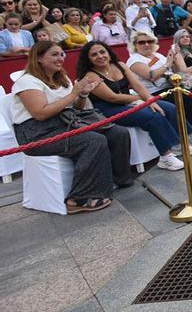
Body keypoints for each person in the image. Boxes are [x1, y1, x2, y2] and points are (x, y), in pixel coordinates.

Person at [12, 42, 133, 214]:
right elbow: (40, 113)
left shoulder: (61, 78)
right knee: (93, 140)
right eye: (54, 54)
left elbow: (76, 108)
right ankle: (79, 198)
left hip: (67, 122)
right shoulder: (27, 81)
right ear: (38, 58)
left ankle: (118, 179)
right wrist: (74, 93)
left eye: (62, 54)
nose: (60, 58)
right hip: (38, 133)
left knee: (117, 132)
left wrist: (82, 95)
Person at [77, 41, 188, 171]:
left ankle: (181, 144)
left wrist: (150, 100)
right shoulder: (91, 76)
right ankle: (165, 157)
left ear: (108, 52)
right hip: (109, 109)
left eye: (102, 52)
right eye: (94, 55)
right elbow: (112, 97)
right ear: (88, 59)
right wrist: (142, 99)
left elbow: (137, 85)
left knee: (169, 107)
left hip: (129, 101)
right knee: (152, 116)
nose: (100, 56)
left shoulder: (120, 65)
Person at [126, 31, 192, 139]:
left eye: (150, 41)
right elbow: (151, 76)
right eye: (142, 42)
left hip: (170, 86)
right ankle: (188, 132)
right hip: (153, 93)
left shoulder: (157, 55)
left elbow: (175, 71)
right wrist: (168, 63)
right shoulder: (134, 60)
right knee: (189, 96)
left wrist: (176, 60)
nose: (147, 44)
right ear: (135, 45)